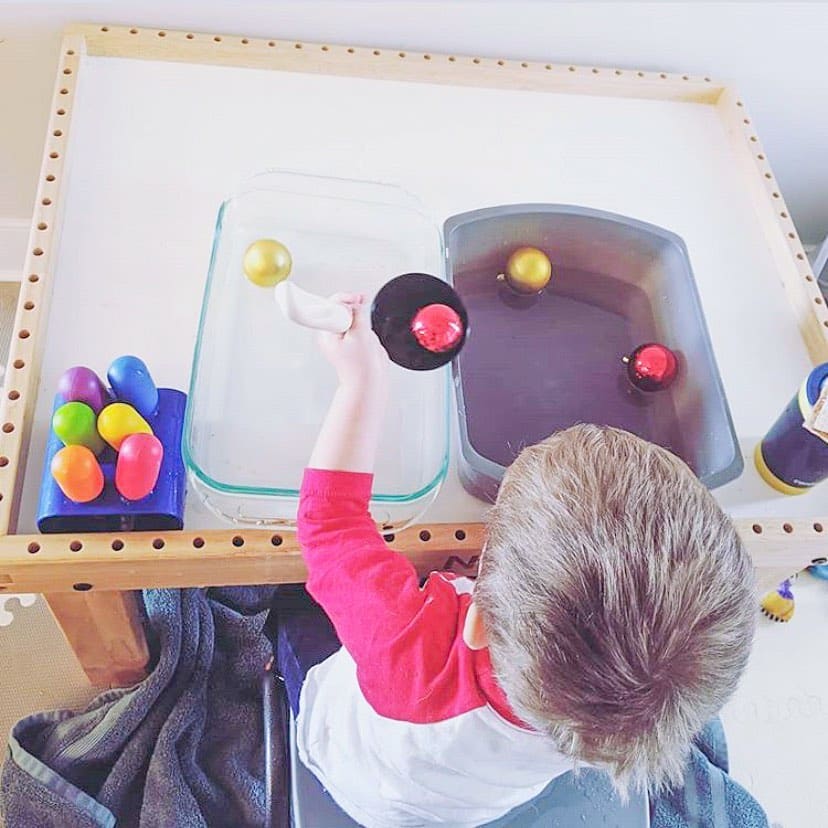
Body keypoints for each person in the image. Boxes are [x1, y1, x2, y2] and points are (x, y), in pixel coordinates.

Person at [278, 294, 757, 828]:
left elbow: (329, 524)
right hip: (464, 804)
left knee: (291, 613)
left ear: (477, 619)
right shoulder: (624, 718)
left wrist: (360, 385)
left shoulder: (410, 646)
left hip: (352, 762)